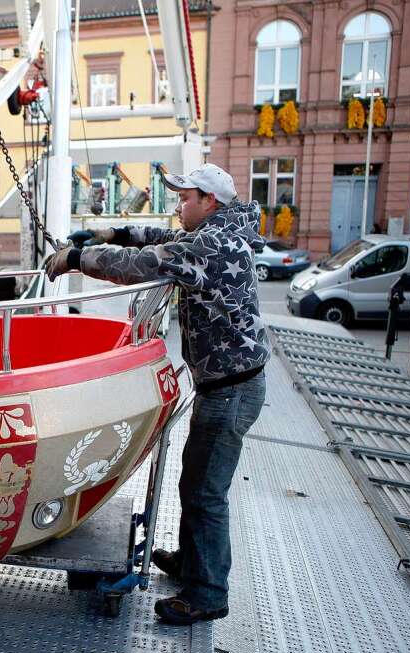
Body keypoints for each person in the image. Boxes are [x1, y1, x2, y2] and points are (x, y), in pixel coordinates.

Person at [44, 163, 269, 625]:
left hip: (229, 392)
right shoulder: (224, 230)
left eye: (185, 197)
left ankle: (208, 592)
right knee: (197, 483)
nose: (178, 204)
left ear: (209, 201)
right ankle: (191, 562)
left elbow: (145, 264)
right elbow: (157, 238)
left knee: (206, 493)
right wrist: (116, 230)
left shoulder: (211, 244)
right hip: (230, 384)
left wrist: (75, 259)